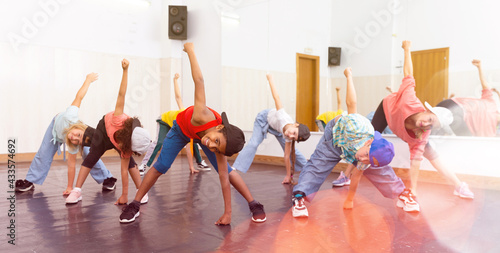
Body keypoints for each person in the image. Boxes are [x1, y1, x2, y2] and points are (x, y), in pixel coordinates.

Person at [119, 42, 266, 224]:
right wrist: (190, 51)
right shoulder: (201, 115)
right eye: (216, 142)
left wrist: (228, 213)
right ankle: (135, 204)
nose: (210, 146)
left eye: (216, 148)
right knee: (161, 165)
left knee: (227, 171)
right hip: (181, 129)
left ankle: (254, 204)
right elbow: (199, 81)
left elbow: (223, 178)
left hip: (197, 133)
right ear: (219, 128)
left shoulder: (218, 144)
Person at [291, 67, 418, 217]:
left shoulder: (367, 157)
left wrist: (349, 199)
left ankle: (402, 194)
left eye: (367, 160)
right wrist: (349, 76)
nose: (362, 160)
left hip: (356, 147)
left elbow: (356, 176)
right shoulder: (357, 127)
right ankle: (299, 197)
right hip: (336, 136)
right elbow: (352, 103)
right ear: (368, 142)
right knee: (318, 165)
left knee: (380, 170)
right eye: (365, 155)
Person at [370, 41, 474, 207]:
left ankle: (458, 186)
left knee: (432, 154)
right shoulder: (410, 98)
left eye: (431, 126)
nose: (426, 124)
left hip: (400, 125)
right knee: (368, 141)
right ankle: (346, 175)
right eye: (430, 119)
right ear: (428, 111)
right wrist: (407, 49)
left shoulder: (421, 134)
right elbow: (409, 73)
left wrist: (414, 191)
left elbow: (415, 163)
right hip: (386, 108)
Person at [65, 59, 151, 205]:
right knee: (92, 155)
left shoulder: (126, 147)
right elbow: (122, 94)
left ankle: (141, 191)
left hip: (117, 138)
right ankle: (77, 191)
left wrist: (124, 195)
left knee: (129, 163)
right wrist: (125, 71)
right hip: (104, 129)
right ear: (127, 136)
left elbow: (124, 171)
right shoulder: (119, 118)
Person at [15, 73, 116, 195]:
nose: (73, 137)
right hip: (55, 127)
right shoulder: (70, 116)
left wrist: (70, 187)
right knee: (44, 152)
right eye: (77, 135)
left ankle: (107, 178)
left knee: (89, 153)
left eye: (77, 140)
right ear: (78, 128)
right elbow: (79, 97)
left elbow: (71, 164)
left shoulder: (74, 142)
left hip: (79, 136)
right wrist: (88, 80)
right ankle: (30, 180)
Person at [232, 74, 311, 184]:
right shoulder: (282, 116)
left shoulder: (289, 135)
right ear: (295, 125)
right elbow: (276, 97)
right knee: (254, 143)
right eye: (293, 133)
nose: (290, 136)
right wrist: (270, 79)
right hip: (263, 119)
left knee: (292, 151)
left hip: (276, 128)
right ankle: (236, 167)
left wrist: (288, 176)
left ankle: (308, 169)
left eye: (294, 137)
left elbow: (287, 155)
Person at [138, 73, 210, 175]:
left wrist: (191, 167)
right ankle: (143, 165)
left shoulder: (190, 126)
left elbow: (189, 147)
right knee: (159, 142)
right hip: (164, 120)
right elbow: (178, 97)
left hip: (174, 124)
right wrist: (175, 80)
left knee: (193, 140)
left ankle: (200, 162)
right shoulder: (183, 113)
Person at [332, 86, 394, 187]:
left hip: (372, 132)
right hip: (369, 128)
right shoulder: (361, 127)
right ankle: (346, 175)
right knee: (359, 154)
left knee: (361, 156)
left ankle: (346, 176)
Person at [434, 59, 500, 137]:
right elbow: (485, 85)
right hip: (453, 105)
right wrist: (479, 68)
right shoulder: (491, 102)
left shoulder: (490, 132)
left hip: (457, 115)